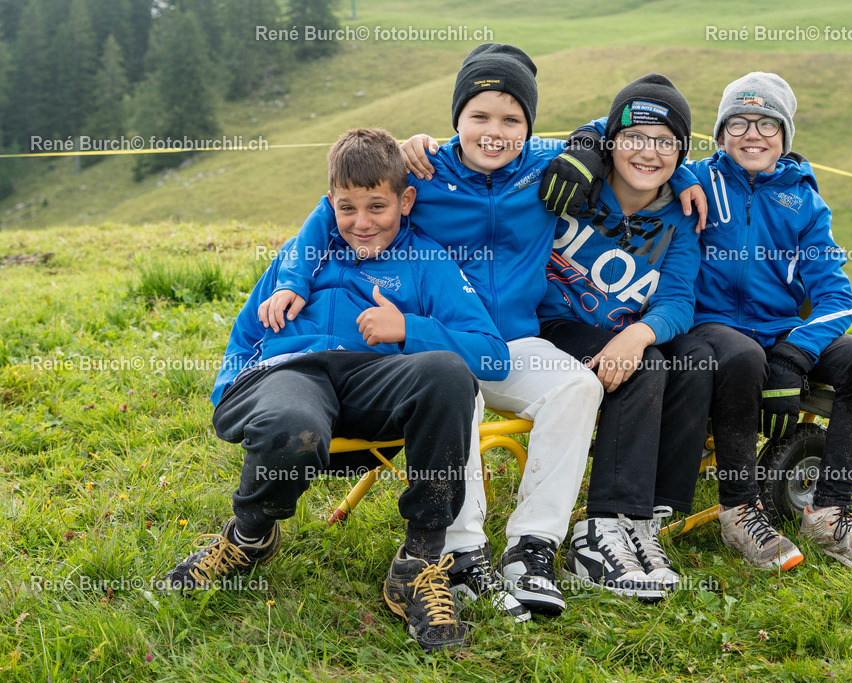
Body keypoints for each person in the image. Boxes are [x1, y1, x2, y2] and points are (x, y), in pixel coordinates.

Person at [262, 44, 709, 618]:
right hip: (430, 343)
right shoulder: (422, 168)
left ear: (529, 125)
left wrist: (688, 168)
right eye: (479, 116)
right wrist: (293, 277)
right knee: (456, 392)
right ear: (457, 120)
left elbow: (617, 129)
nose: (494, 132)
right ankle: (463, 551)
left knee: (578, 386)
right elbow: (335, 207)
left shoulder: (547, 168)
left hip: (515, 341)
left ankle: (533, 548)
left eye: (511, 119)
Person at [160, 128, 512, 653]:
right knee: (290, 423)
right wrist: (232, 390)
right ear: (329, 205)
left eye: (377, 206)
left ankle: (419, 562)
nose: (362, 222)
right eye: (347, 208)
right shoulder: (302, 256)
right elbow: (247, 333)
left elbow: (491, 355)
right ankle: (249, 536)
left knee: (447, 371)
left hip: (374, 382)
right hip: (292, 374)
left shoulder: (429, 262)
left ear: (406, 200)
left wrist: (408, 331)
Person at [687, 72, 852, 571]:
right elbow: (640, 143)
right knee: (743, 356)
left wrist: (795, 352)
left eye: (767, 123)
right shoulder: (692, 178)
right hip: (709, 328)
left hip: (777, 332)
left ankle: (829, 513)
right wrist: (590, 142)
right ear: (720, 135)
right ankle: (739, 509)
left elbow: (837, 296)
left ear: (783, 136)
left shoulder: (804, 200)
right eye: (738, 122)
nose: (752, 134)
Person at [535, 74, 714, 600]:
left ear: (681, 152)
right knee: (649, 366)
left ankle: (643, 521)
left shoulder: (679, 217)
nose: (648, 152)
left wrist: (638, 333)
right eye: (635, 137)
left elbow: (679, 300)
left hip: (619, 333)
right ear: (612, 141)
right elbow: (498, 146)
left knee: (696, 356)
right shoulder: (575, 179)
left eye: (665, 142)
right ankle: (597, 533)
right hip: (550, 325)